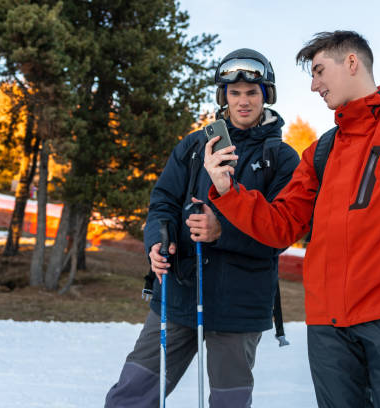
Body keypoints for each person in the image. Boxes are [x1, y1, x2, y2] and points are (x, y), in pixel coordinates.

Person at [204, 31, 380, 407]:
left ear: (351, 62)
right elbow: (282, 224)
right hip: (328, 333)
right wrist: (228, 189)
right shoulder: (321, 151)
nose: (314, 85)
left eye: (318, 71)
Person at [105, 48, 300, 408]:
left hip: (239, 305)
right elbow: (162, 201)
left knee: (229, 402)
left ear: (266, 95)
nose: (243, 102)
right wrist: (156, 241)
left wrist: (221, 232)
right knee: (131, 395)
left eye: (252, 93)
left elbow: (280, 234)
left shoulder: (283, 159)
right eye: (234, 93)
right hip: (180, 293)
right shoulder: (195, 146)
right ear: (222, 96)